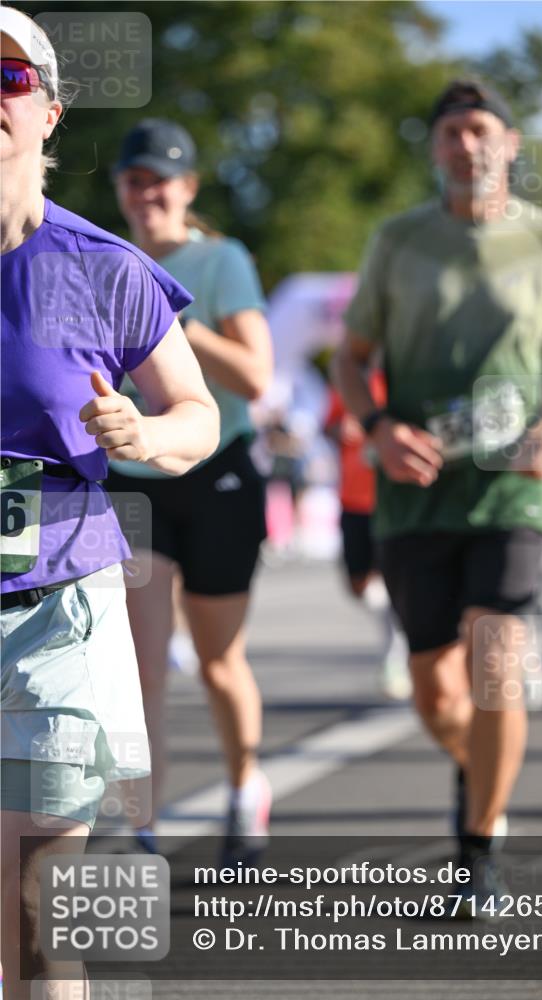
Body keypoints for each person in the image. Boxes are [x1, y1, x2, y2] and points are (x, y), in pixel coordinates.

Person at [334, 78, 542, 907]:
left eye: (480, 129)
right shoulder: (397, 240)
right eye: (451, 132)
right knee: (434, 690)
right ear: (433, 148)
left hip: (512, 493)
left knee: (497, 663)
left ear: (511, 143)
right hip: (413, 493)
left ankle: (479, 848)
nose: (466, 145)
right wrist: (379, 427)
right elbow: (351, 357)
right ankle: (481, 768)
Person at [0, 8, 219, 998]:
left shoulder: (97, 268)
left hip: (57, 607)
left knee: (38, 895)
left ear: (48, 112)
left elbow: (200, 413)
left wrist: (146, 434)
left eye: (7, 81)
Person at [107, 118, 273, 861]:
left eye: (161, 180)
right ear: (119, 188)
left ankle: (245, 786)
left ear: (189, 188)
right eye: (135, 179)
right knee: (142, 660)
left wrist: (165, 318)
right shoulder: (101, 261)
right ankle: (145, 822)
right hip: (133, 482)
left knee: (217, 659)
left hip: (216, 472)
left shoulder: (221, 258)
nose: (148, 193)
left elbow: (255, 376)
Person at [325, 369, 411, 699]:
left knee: (395, 579)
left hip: (391, 498)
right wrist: (340, 429)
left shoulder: (398, 376)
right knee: (358, 583)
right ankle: (394, 631)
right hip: (352, 498)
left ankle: (396, 651)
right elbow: (329, 424)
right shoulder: (347, 380)